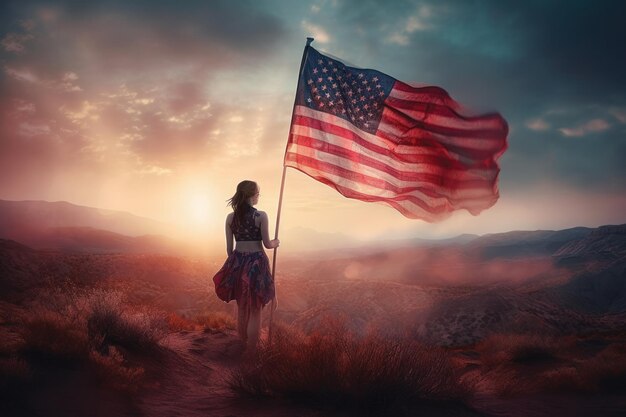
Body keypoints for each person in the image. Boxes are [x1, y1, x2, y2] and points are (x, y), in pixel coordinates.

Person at [212, 180, 279, 354]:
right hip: (257, 263)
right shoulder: (261, 216)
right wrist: (276, 242)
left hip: (238, 262)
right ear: (251, 195)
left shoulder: (230, 218)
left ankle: (242, 343)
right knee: (256, 309)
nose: (259, 196)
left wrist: (239, 263)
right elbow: (267, 244)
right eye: (258, 193)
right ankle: (251, 352)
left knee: (242, 306)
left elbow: (229, 250)